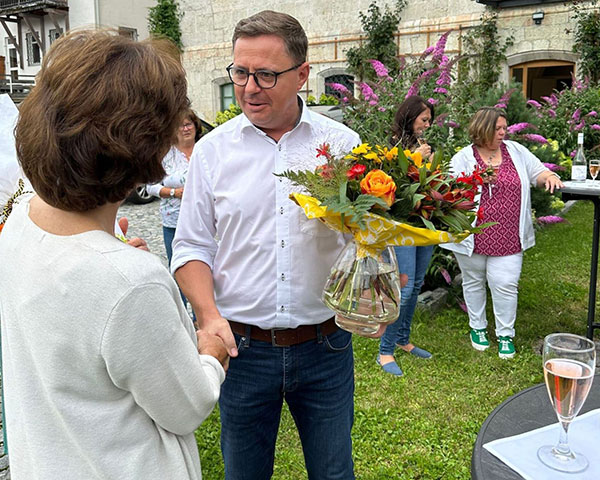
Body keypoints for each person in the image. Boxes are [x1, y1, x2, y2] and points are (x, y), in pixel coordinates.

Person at [0, 30, 228, 480]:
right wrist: (210, 353)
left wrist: (111, 253)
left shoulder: (19, 215)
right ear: (144, 149)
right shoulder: (129, 281)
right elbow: (186, 407)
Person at [172, 11, 361, 480]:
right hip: (242, 350)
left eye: (265, 74)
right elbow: (191, 246)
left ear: (302, 75)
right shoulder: (213, 152)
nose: (249, 87)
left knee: (334, 472)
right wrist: (210, 316)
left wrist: (375, 286)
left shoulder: (343, 146)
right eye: (240, 72)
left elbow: (366, 237)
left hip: (326, 346)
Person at [442, 107, 563, 359]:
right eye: (497, 128)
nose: (503, 132)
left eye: (504, 128)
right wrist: (473, 181)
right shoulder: (463, 157)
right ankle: (478, 328)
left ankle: (505, 334)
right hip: (473, 235)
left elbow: (538, 171)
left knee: (506, 284)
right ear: (482, 128)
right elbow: (448, 191)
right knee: (473, 281)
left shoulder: (515, 151)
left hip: (509, 234)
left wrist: (548, 176)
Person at [377, 96, 436, 376]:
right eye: (423, 119)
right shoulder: (391, 147)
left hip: (424, 221)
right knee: (404, 285)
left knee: (418, 282)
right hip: (400, 223)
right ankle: (385, 351)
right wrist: (415, 158)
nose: (427, 125)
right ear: (410, 117)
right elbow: (391, 181)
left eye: (429, 121)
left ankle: (403, 340)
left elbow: (431, 182)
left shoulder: (427, 148)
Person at [146, 109, 202, 308]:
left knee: (203, 267)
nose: (186, 129)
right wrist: (173, 192)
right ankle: (181, 312)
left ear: (196, 126)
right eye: (181, 125)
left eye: (189, 124)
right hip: (173, 220)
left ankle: (200, 314)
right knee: (178, 267)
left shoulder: (205, 149)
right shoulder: (165, 155)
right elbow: (150, 186)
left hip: (202, 221)